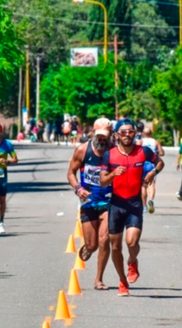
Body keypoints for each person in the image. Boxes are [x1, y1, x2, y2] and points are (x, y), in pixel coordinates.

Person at [100, 119, 164, 296]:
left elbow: (160, 163)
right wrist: (113, 174)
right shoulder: (109, 155)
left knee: (132, 242)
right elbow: (102, 180)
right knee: (115, 247)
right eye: (123, 132)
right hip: (116, 204)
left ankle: (133, 261)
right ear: (116, 135)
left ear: (135, 133)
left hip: (135, 203)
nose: (127, 135)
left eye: (130, 131)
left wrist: (152, 173)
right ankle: (122, 281)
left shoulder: (143, 151)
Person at [67, 118, 113, 290]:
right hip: (88, 202)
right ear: (93, 133)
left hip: (108, 201)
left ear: (111, 136)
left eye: (105, 137)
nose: (102, 140)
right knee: (92, 244)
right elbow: (71, 173)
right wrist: (78, 188)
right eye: (99, 136)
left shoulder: (115, 151)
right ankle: (88, 247)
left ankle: (99, 279)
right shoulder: (82, 150)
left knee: (105, 240)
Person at [138, 127, 165, 214]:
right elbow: (162, 153)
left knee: (143, 185)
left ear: (143, 133)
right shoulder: (155, 142)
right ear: (151, 133)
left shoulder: (140, 141)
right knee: (152, 184)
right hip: (152, 164)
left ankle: (144, 206)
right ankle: (151, 199)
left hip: (142, 164)